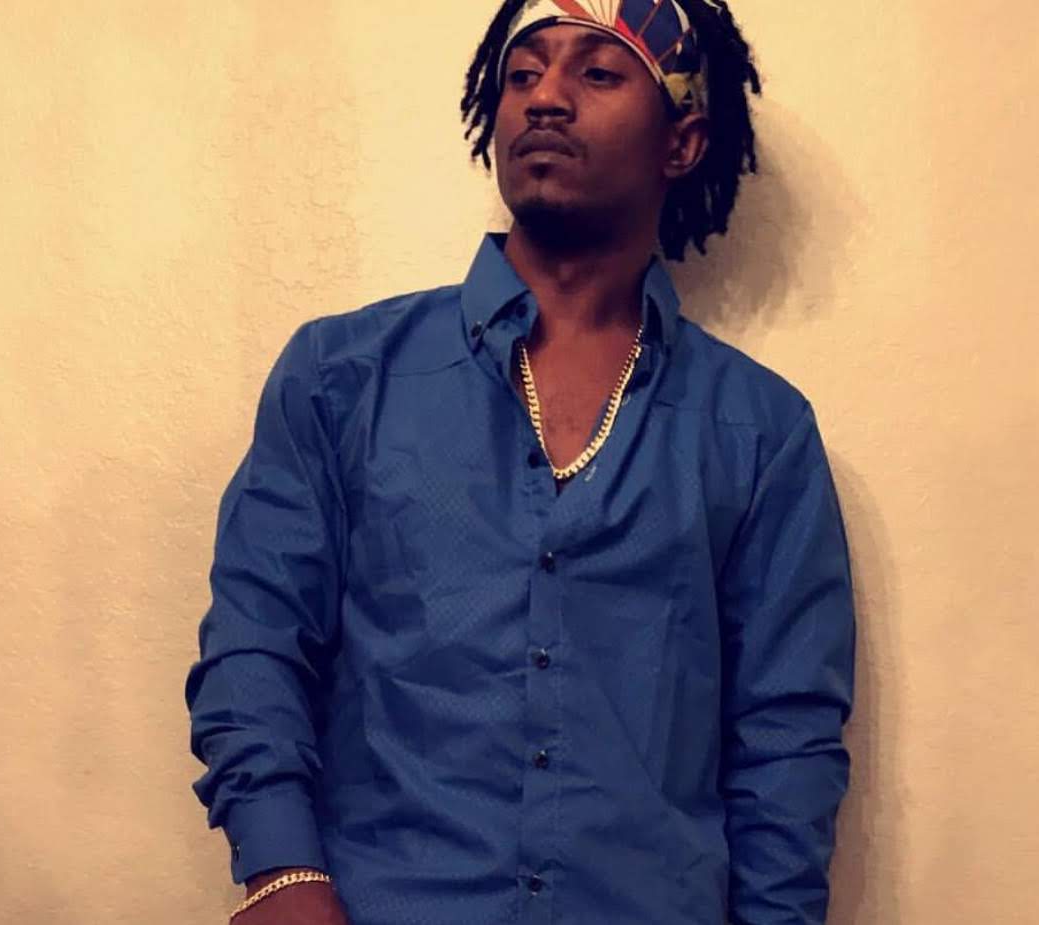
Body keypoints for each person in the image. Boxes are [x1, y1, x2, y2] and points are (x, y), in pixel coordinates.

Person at [184, 1, 857, 923]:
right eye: (523, 72)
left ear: (681, 142)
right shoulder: (341, 377)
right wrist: (281, 870)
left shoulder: (758, 430)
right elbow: (257, 639)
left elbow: (786, 735)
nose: (545, 98)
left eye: (597, 72)